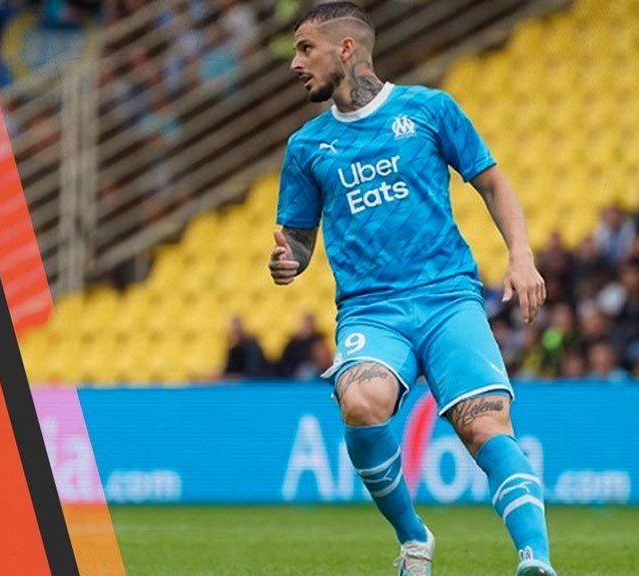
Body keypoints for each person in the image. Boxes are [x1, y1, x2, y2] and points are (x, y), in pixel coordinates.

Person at [268, 4, 555, 575]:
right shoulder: (307, 147)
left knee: (485, 424)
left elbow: (494, 184)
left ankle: (535, 562)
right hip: (371, 310)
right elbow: (299, 239)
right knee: (361, 402)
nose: (296, 64)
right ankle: (415, 538)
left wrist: (520, 258)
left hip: (448, 297)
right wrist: (288, 260)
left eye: (306, 49)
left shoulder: (429, 109)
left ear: (346, 49)